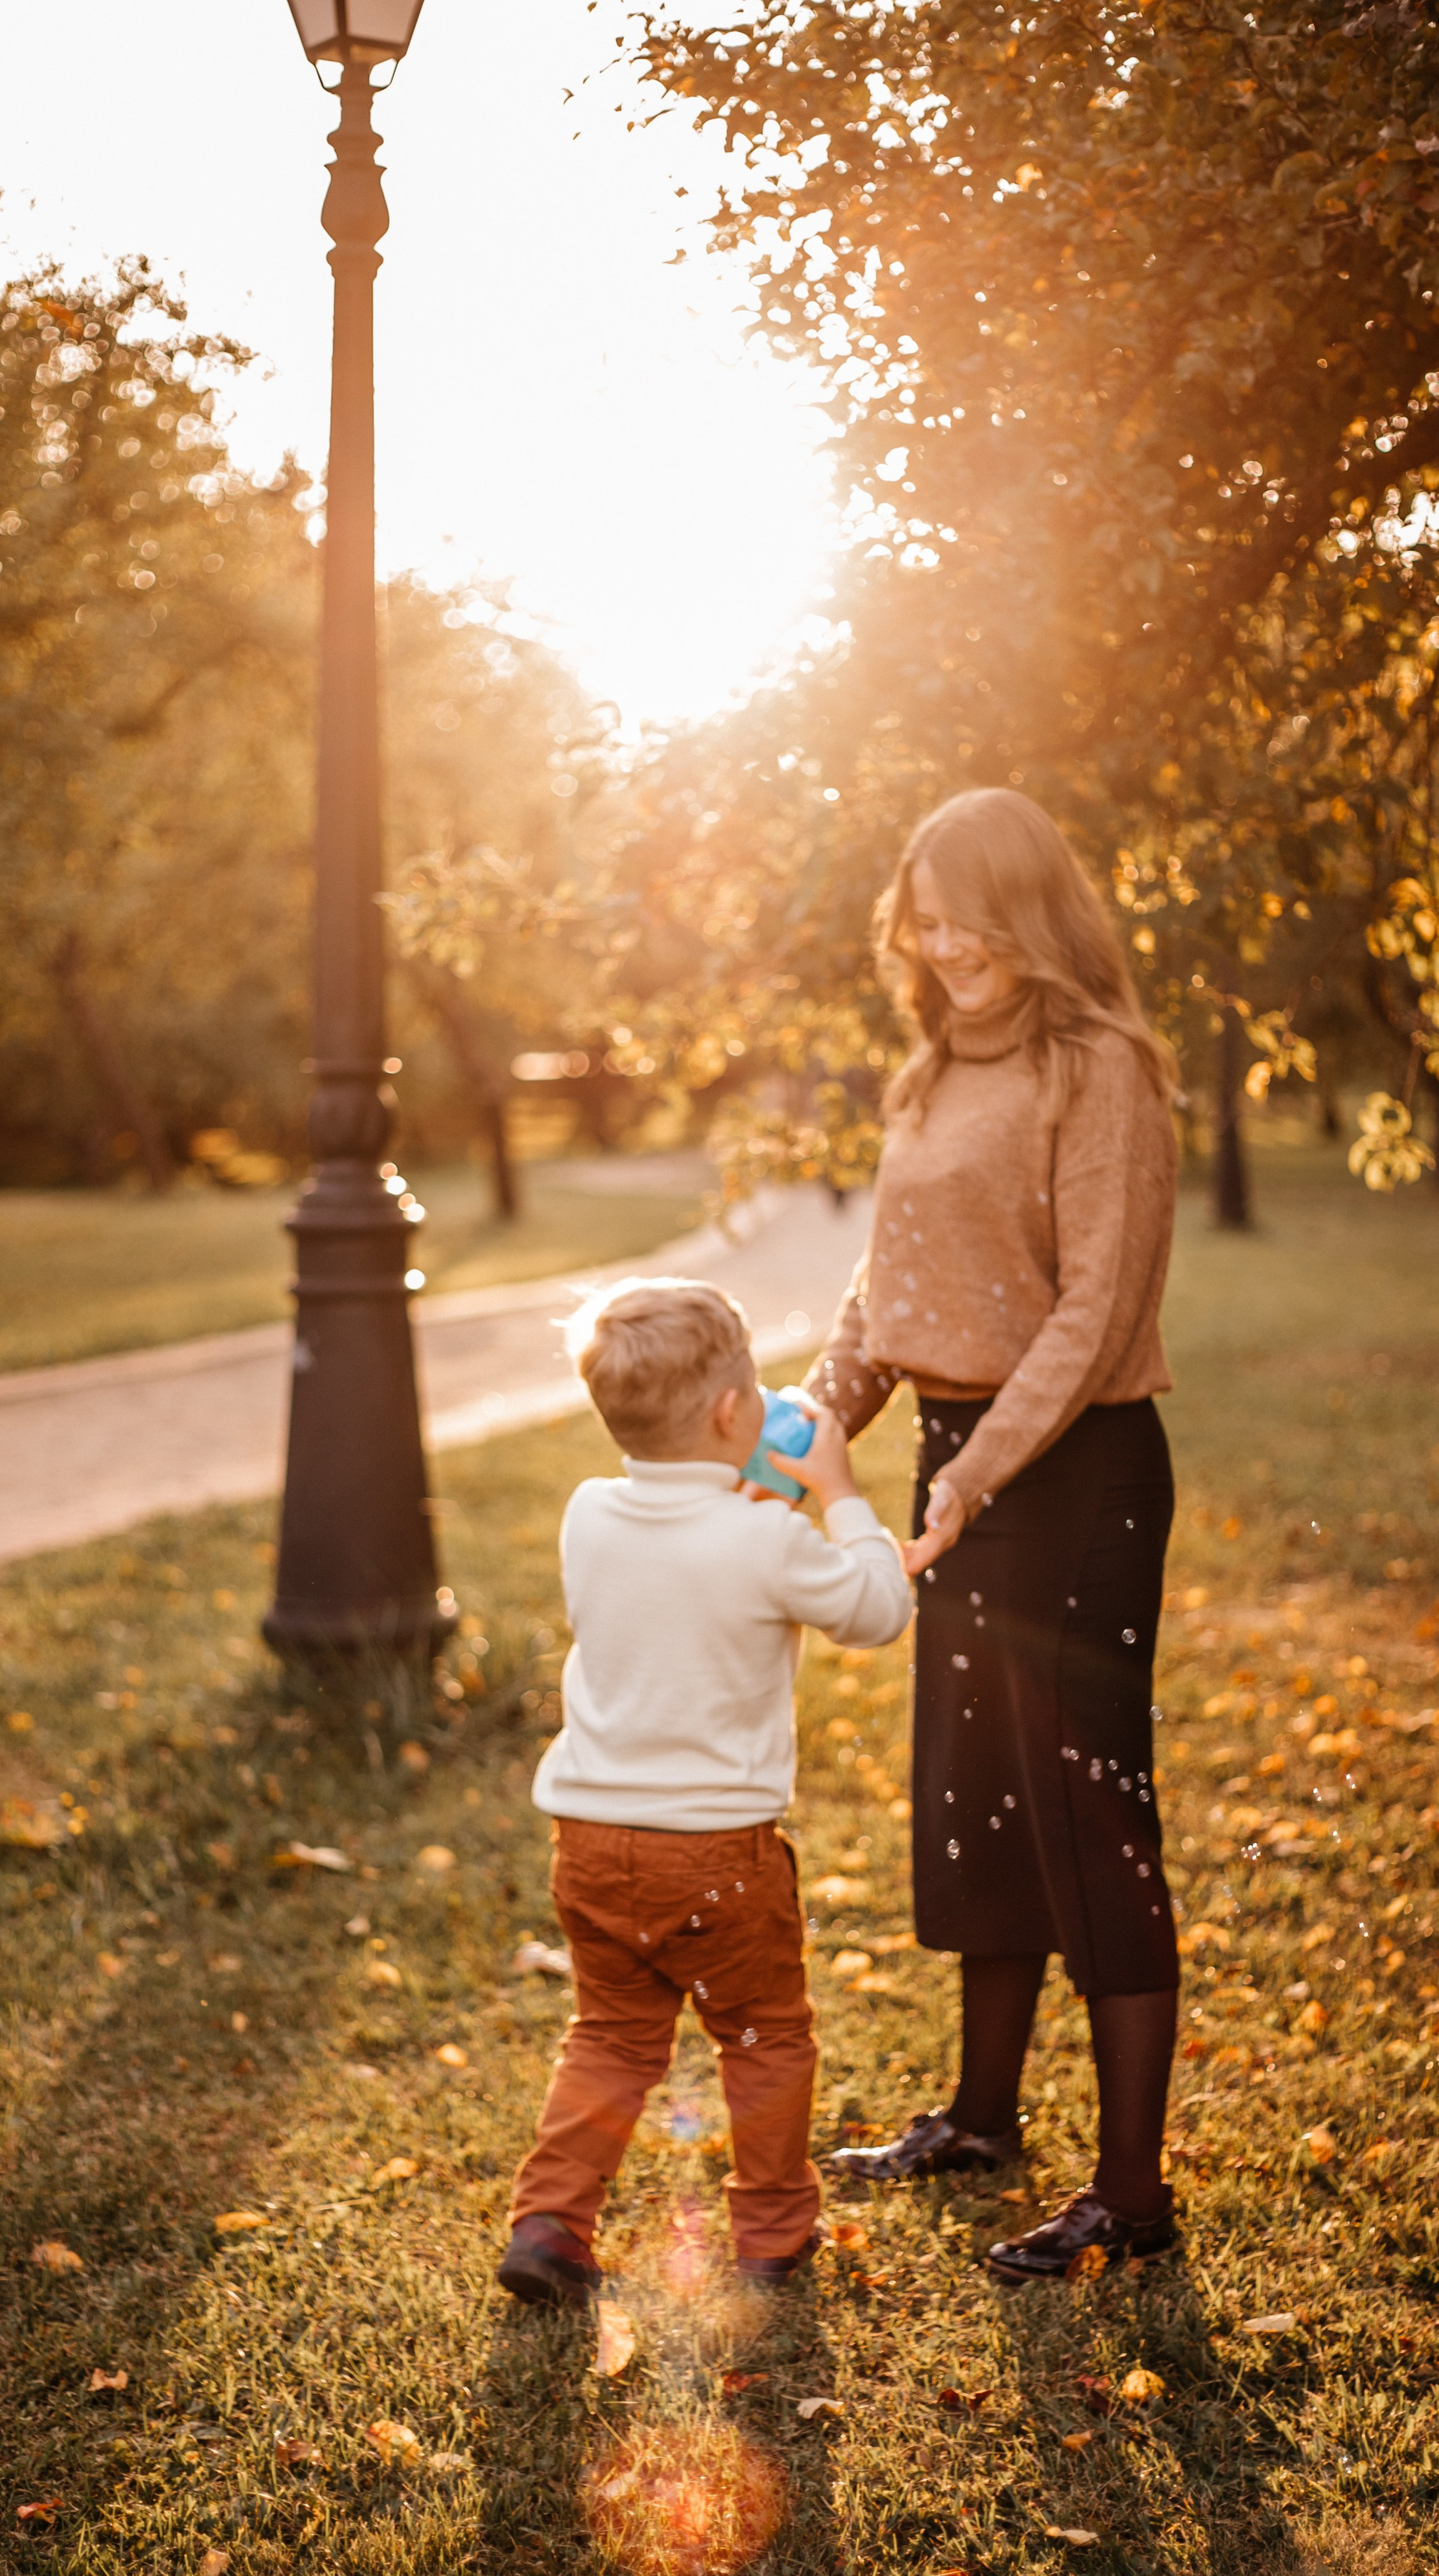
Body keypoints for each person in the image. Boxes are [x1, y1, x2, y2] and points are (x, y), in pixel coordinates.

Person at [809, 786, 1183, 2282]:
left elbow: (1094, 1309)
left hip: (1078, 1471)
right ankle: (979, 2115)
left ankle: (1132, 2196)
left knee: (1088, 1811)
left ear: (1030, 911)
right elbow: (889, 1282)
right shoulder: (926, 1072)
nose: (945, 943)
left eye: (969, 915)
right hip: (960, 1462)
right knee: (977, 1794)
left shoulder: (1099, 1068)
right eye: (923, 916)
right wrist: (818, 1412)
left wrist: (974, 1479)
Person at [498, 1275, 914, 2308]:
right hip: (720, 1855)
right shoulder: (769, 1540)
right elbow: (877, 1608)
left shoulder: (589, 1513)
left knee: (612, 2035)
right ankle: (771, 2235)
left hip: (591, 1841)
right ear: (734, 1412)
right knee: (765, 2036)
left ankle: (550, 2222)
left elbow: (688, 1550)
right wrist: (839, 1491)